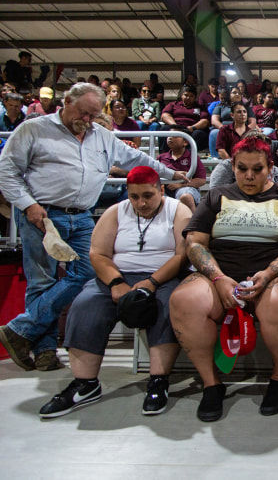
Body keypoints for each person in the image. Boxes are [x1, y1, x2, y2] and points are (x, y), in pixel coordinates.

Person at [0, 82, 187, 371]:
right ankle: (45, 349)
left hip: (83, 215)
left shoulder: (101, 135)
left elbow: (136, 158)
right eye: (84, 113)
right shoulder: (33, 129)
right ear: (66, 102)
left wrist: (170, 172)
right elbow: (7, 171)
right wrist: (28, 205)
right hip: (43, 214)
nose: (87, 121)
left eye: (93, 115)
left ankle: (21, 329)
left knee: (87, 271)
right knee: (42, 281)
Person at [169, 137, 278, 422]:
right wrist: (218, 278)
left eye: (257, 169)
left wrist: (270, 272)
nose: (249, 176)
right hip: (222, 273)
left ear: (270, 167)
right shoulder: (216, 196)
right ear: (233, 167)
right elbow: (195, 243)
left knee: (277, 300)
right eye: (242, 169)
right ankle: (212, 385)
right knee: (184, 299)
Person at [38, 166, 192, 418]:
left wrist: (152, 282)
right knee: (86, 303)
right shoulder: (115, 212)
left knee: (169, 303)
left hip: (164, 276)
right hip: (118, 276)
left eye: (147, 196)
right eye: (134, 197)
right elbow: (98, 253)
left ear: (160, 190)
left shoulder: (178, 210)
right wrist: (116, 282)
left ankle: (158, 380)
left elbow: (182, 255)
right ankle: (85, 383)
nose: (140, 203)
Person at [156, 126, 207, 212]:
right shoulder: (161, 157)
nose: (170, 138)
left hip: (186, 188)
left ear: (185, 142)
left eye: (175, 136)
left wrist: (180, 185)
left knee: (185, 196)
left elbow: (201, 180)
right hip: (164, 189)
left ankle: (193, 223)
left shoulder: (193, 157)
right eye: (169, 135)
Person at [160, 85, 210, 152]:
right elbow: (165, 115)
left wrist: (193, 127)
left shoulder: (200, 107)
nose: (188, 98)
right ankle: (164, 155)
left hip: (191, 130)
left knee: (199, 134)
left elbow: (205, 121)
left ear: (195, 97)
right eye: (186, 95)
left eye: (191, 96)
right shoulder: (173, 104)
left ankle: (187, 155)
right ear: (181, 95)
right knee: (164, 129)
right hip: (175, 128)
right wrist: (176, 126)